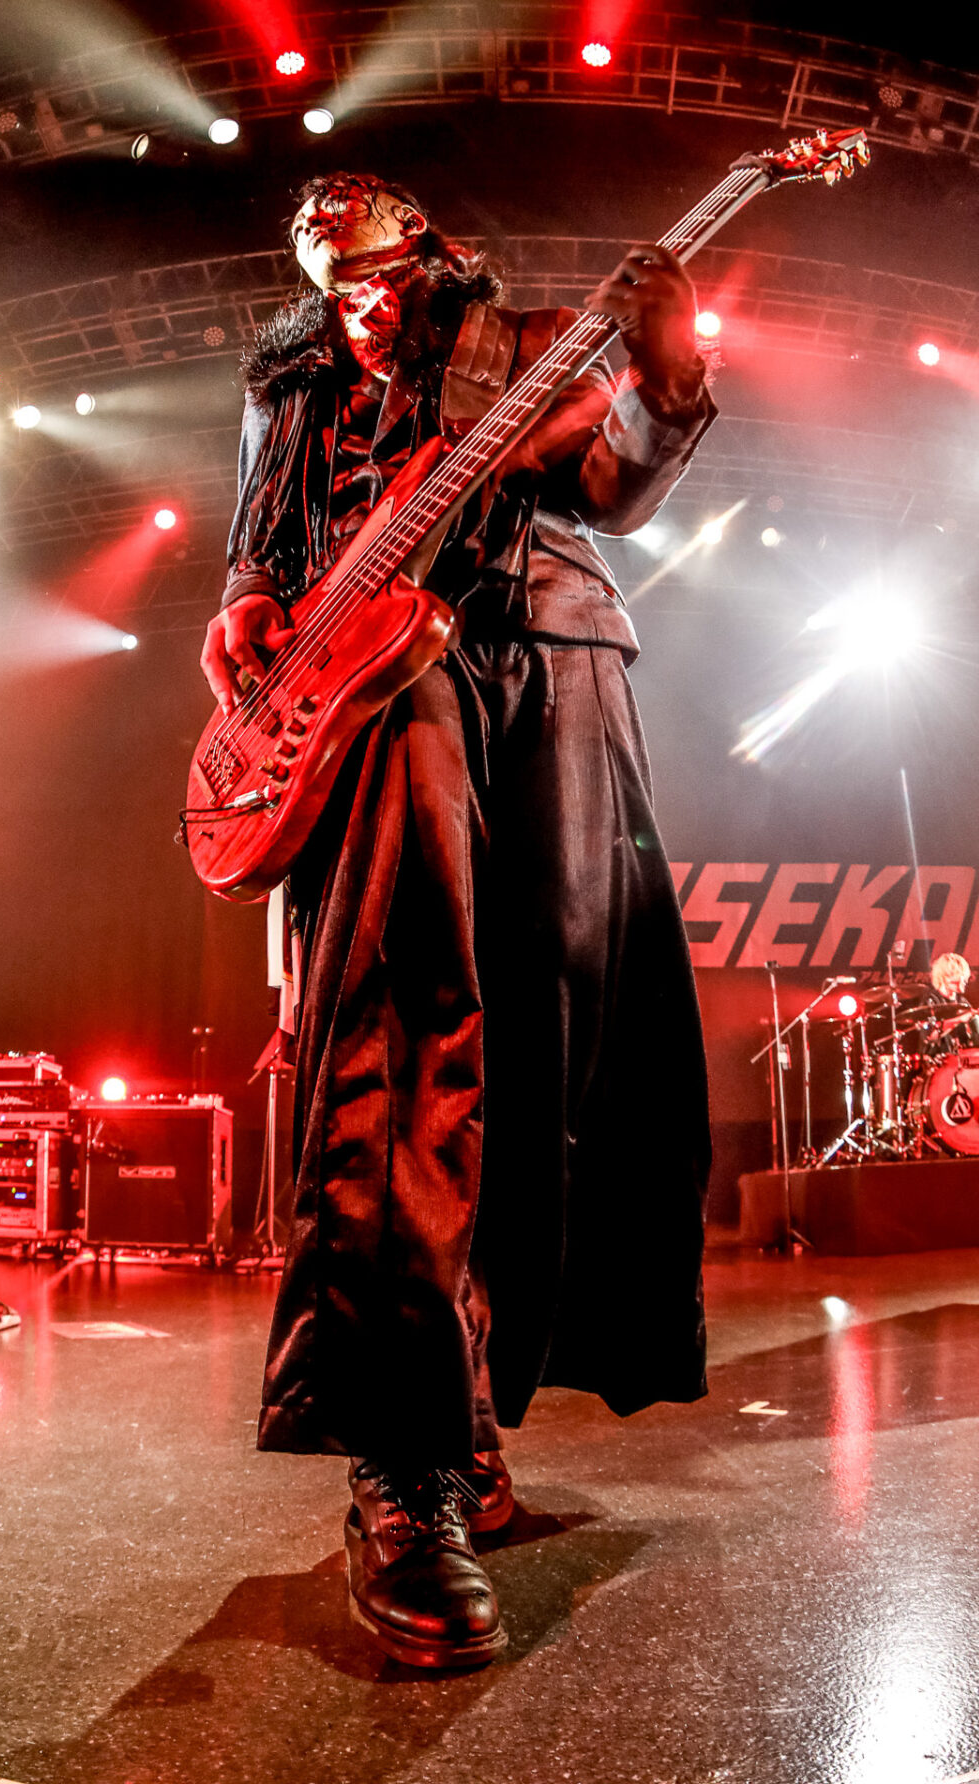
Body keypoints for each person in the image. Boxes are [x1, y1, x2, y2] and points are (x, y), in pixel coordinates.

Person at [199, 173, 714, 1671]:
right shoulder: (286, 393)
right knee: (402, 1018)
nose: (356, 309)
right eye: (330, 288)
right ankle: (404, 1462)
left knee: (552, 1030)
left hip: (549, 652)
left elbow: (614, 489)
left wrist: (670, 376)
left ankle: (471, 1410)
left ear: (427, 256)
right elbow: (255, 557)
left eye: (374, 279)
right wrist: (244, 615)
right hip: (377, 678)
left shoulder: (527, 344)